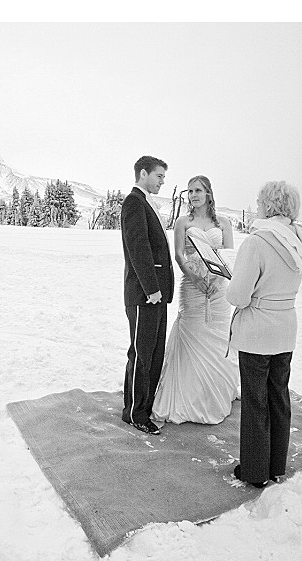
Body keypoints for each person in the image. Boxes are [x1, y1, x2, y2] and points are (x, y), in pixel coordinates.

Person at [226, 181, 302, 488]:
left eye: (260, 201)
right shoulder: (298, 241)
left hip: (258, 330)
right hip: (286, 328)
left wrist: (232, 283)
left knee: (255, 402)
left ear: (268, 205)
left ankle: (254, 471)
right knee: (279, 397)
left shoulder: (257, 242)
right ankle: (276, 466)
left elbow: (238, 296)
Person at [151, 175, 238, 425]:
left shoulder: (223, 224)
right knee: (195, 335)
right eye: (189, 191)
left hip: (218, 289)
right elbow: (178, 255)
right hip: (192, 286)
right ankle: (188, 398)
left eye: (198, 190)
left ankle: (215, 393)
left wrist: (217, 279)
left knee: (218, 337)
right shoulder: (182, 222)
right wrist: (195, 278)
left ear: (208, 193)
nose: (193, 195)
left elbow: (228, 256)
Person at [120, 156, 174, 435]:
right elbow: (138, 248)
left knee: (154, 354)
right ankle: (135, 413)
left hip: (157, 295)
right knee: (142, 354)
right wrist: (151, 289)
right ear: (143, 173)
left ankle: (145, 407)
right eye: (159, 176)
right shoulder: (134, 202)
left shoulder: (148, 203)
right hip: (144, 295)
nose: (162, 181)